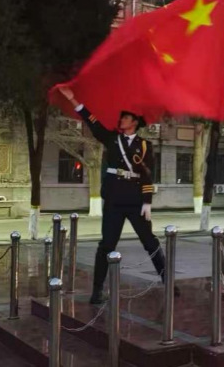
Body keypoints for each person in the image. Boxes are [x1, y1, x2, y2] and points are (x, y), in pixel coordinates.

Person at [57, 86, 167, 305]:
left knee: (150, 242)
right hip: (115, 200)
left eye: (125, 118)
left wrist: (147, 202)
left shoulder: (145, 146)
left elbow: (148, 174)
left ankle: (168, 281)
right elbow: (93, 123)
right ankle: (97, 290)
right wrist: (74, 99)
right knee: (107, 245)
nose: (121, 120)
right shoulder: (112, 139)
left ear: (134, 122)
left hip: (135, 200)